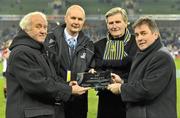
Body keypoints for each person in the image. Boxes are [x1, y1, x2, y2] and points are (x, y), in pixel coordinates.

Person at [5, 11, 89, 118]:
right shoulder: (22, 52)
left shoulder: (38, 50)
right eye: (38, 27)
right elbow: (38, 85)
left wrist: (67, 85)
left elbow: (51, 78)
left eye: (45, 27)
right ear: (26, 29)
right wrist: (69, 90)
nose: (43, 31)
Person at [107, 17, 177, 118]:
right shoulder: (146, 54)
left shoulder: (161, 57)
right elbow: (140, 81)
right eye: (137, 35)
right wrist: (122, 82)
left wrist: (121, 88)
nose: (139, 38)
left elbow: (147, 89)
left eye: (143, 33)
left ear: (156, 35)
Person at [45, 5, 94, 118]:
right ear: (66, 18)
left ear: (83, 22)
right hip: (55, 102)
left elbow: (90, 67)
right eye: (73, 18)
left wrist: (92, 72)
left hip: (79, 104)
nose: (76, 22)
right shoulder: (49, 40)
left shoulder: (89, 44)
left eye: (80, 19)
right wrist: (65, 88)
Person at [94, 7, 137, 118]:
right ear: (107, 25)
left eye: (118, 22)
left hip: (130, 99)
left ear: (126, 23)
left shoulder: (137, 43)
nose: (114, 26)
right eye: (111, 23)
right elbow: (97, 69)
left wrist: (122, 81)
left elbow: (139, 71)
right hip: (106, 100)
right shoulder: (99, 45)